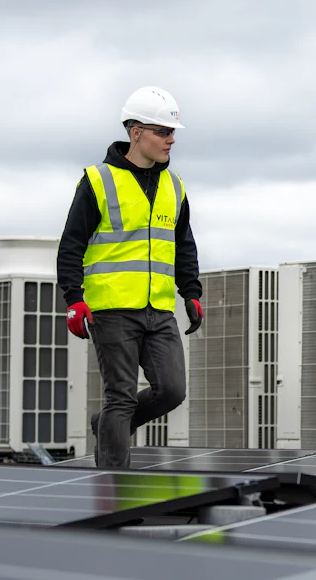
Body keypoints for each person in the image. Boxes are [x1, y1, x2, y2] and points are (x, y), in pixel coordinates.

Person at [56, 85, 204, 468]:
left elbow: (183, 243)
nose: (171, 140)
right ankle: (112, 492)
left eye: (173, 133)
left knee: (171, 390)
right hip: (112, 309)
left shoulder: (175, 186)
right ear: (135, 132)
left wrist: (191, 291)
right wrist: (74, 300)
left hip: (158, 309)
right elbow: (70, 246)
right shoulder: (98, 181)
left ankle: (107, 426)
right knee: (120, 398)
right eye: (163, 132)